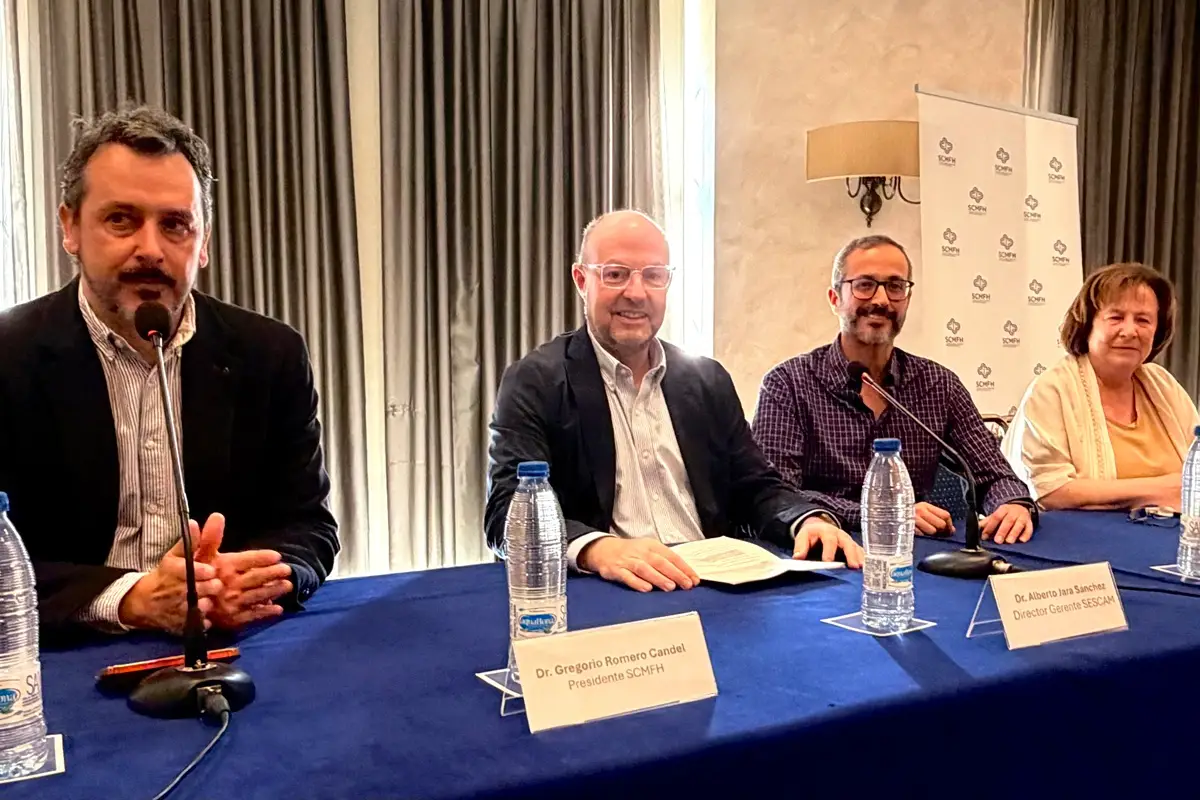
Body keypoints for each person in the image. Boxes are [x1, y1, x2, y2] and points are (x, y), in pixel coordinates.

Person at [0, 106, 339, 635]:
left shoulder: (270, 353)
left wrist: (257, 578)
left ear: (203, 243)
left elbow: (307, 524)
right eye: (121, 220)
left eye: (175, 224)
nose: (150, 250)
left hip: (228, 642)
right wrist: (129, 598)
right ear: (70, 228)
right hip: (60, 653)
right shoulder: (8, 355)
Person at [485, 210, 861, 592]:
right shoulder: (536, 382)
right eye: (615, 274)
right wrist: (597, 549)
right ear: (582, 280)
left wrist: (805, 519)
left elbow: (756, 486)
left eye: (653, 275)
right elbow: (506, 512)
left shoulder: (707, 380)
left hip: (714, 587)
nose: (636, 293)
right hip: (611, 592)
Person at [752, 235, 1037, 544]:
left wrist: (1012, 504)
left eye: (895, 286)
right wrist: (884, 513)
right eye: (865, 285)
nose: (881, 300)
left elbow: (995, 475)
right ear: (835, 299)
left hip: (913, 554)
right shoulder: (788, 384)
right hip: (823, 551)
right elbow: (776, 495)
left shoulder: (938, 384)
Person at [1002, 263, 1199, 510]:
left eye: (1143, 320)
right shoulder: (1052, 390)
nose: (1130, 331)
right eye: (1116, 317)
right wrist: (1164, 489)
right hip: (1082, 532)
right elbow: (1050, 491)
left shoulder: (1164, 385)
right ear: (1087, 326)